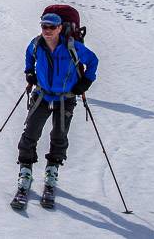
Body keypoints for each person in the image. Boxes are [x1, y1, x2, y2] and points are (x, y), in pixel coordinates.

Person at [11, 12, 98, 210]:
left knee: (59, 136)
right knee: (30, 133)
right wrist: (29, 72)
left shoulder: (72, 46)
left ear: (60, 28)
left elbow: (92, 60)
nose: (47, 31)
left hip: (65, 99)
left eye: (51, 27)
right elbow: (28, 56)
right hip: (41, 96)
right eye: (44, 27)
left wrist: (86, 81)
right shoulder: (36, 44)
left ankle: (52, 173)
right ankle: (25, 172)